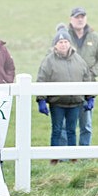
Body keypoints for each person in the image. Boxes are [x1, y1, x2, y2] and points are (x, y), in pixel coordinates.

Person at [36, 24, 93, 164]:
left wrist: (90, 97)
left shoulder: (78, 60)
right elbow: (42, 79)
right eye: (60, 42)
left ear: (69, 43)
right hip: (57, 103)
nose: (63, 45)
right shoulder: (48, 61)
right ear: (55, 45)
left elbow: (86, 78)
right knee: (56, 130)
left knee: (72, 130)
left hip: (75, 103)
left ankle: (73, 158)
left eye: (66, 42)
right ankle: (55, 159)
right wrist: (41, 100)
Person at [67, 7, 98, 146]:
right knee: (66, 124)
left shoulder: (93, 37)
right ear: (71, 19)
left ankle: (84, 154)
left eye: (82, 17)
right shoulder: (64, 36)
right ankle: (66, 155)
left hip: (88, 86)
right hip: (68, 86)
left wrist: (93, 72)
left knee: (86, 124)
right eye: (77, 17)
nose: (80, 19)